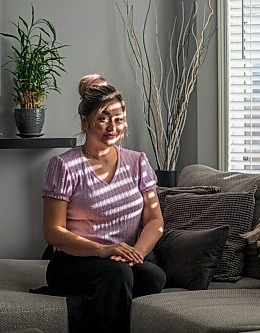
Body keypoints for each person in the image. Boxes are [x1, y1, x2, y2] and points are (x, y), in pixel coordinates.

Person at [41, 74, 166, 333]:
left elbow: (155, 221)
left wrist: (137, 252)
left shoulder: (137, 161)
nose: (113, 127)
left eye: (119, 119)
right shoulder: (64, 165)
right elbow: (53, 232)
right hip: (76, 260)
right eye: (103, 119)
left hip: (124, 259)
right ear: (85, 122)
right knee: (118, 276)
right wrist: (103, 250)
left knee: (155, 277)